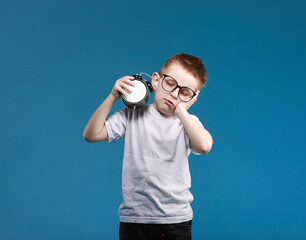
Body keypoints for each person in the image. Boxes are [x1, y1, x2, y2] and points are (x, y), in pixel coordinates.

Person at [83, 53, 213, 240]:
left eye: (184, 92)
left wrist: (181, 109)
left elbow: (204, 146)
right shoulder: (131, 115)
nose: (175, 94)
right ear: (155, 80)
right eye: (170, 84)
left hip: (175, 219)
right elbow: (91, 135)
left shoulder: (188, 123)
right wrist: (112, 96)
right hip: (135, 218)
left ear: (193, 99)